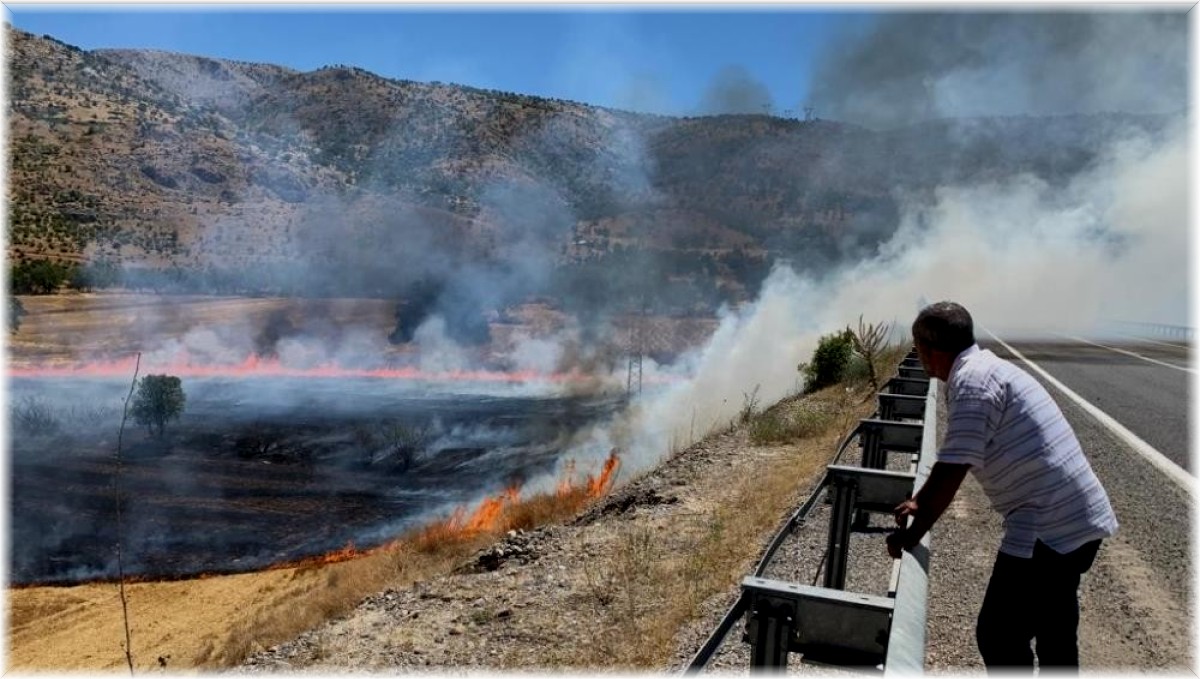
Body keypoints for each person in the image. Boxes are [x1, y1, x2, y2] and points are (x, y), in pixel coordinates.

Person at [885, 301, 1118, 673]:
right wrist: (920, 502)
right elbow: (953, 460)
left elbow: (954, 466)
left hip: (1047, 527)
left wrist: (913, 529)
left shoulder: (971, 383)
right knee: (1054, 629)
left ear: (928, 351)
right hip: (1078, 517)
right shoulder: (986, 368)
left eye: (918, 348)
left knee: (999, 634)